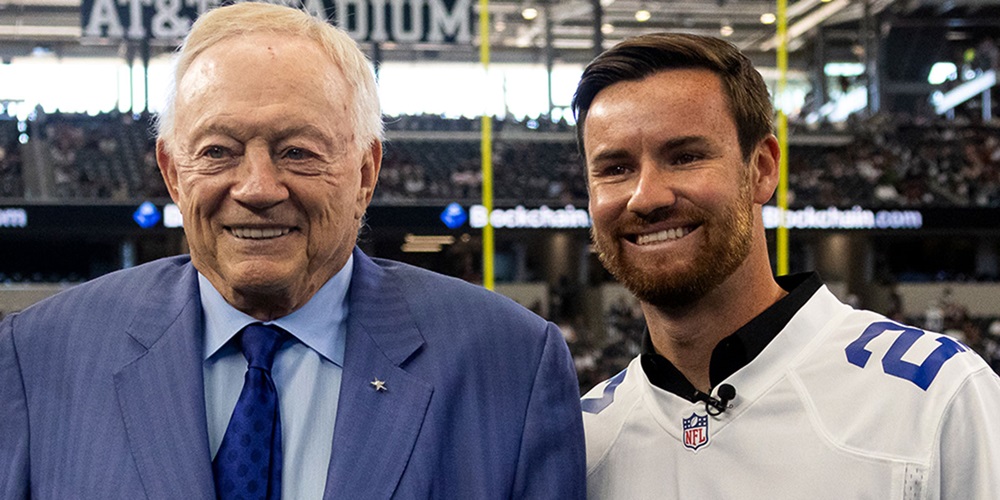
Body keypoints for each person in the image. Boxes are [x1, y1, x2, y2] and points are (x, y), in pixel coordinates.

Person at [0, 3, 585, 499]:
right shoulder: (40, 357)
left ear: (364, 173)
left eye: (298, 151)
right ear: (173, 175)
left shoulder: (510, 363)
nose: (257, 188)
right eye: (218, 150)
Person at [573, 33, 1000, 498]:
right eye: (614, 168)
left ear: (761, 168)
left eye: (686, 157)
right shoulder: (582, 441)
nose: (647, 196)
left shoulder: (937, 396)